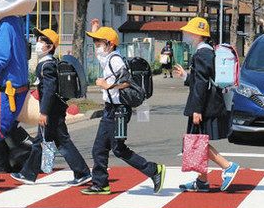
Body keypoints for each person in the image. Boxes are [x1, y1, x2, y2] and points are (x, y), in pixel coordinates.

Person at [82, 25, 165, 196]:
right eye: (95, 41)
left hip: (119, 111)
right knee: (99, 148)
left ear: (110, 44)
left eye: (99, 42)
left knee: (118, 149)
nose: (96, 45)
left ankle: (154, 170)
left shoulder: (115, 60)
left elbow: (127, 81)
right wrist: (95, 29)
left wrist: (108, 85)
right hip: (109, 110)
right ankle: (100, 184)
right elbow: (100, 54)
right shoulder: (107, 57)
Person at [11, 28, 92, 186]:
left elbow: (49, 90)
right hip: (55, 110)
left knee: (52, 142)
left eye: (42, 41)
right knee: (49, 142)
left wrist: (44, 112)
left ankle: (81, 172)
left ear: (50, 47)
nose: (38, 43)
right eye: (38, 40)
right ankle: (80, 172)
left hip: (51, 112)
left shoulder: (47, 65)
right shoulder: (48, 63)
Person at [173, 17, 240, 192]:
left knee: (197, 141)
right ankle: (202, 181)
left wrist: (196, 109)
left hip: (204, 105)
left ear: (197, 35)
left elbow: (202, 84)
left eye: (189, 32)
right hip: (209, 102)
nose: (186, 35)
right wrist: (186, 77)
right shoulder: (208, 52)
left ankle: (228, 166)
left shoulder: (202, 54)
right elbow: (200, 80)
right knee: (198, 140)